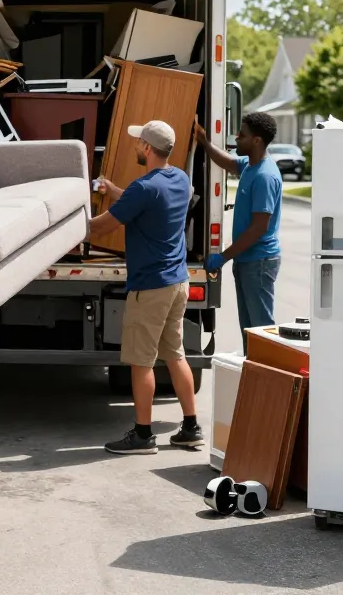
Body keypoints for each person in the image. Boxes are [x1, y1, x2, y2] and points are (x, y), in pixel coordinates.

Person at [89, 120, 204, 456]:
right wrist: (114, 191)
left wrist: (63, 224)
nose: (135, 145)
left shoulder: (143, 188)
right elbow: (144, 202)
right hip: (178, 283)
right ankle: (191, 428)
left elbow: (102, 227)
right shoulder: (179, 179)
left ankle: (142, 436)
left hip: (150, 288)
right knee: (176, 355)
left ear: (148, 149)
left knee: (142, 362)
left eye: (139, 141)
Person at [195, 112, 283, 352]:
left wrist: (223, 257)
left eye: (242, 135)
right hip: (248, 261)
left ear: (257, 140)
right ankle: (253, 369)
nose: (236, 138)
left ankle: (266, 373)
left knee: (261, 330)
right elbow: (228, 162)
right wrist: (205, 143)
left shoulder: (264, 176)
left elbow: (259, 227)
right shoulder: (250, 166)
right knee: (249, 330)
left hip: (259, 262)